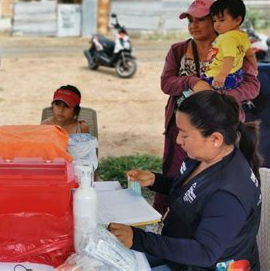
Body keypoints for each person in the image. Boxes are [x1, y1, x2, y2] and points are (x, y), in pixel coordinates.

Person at [109, 91, 262, 270]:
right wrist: (155, 180)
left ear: (215, 139)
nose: (178, 140)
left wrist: (138, 238)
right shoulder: (203, 157)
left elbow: (204, 253)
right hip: (179, 252)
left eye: (184, 134)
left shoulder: (228, 194)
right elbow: (192, 191)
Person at [156, 0, 260, 214]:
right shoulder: (178, 50)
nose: (193, 25)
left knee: (214, 181)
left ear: (215, 21)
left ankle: (206, 225)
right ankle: (165, 221)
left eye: (200, 20)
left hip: (220, 129)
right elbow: (166, 83)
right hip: (183, 129)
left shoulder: (235, 49)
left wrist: (219, 95)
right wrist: (192, 81)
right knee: (176, 174)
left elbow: (253, 85)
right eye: (190, 20)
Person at [204, 0, 258, 90]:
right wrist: (255, 69)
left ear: (237, 20)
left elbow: (229, 58)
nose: (216, 25)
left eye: (221, 20)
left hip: (219, 78)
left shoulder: (227, 37)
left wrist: (222, 75)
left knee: (193, 90)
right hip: (236, 76)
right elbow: (250, 55)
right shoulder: (243, 36)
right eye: (214, 21)